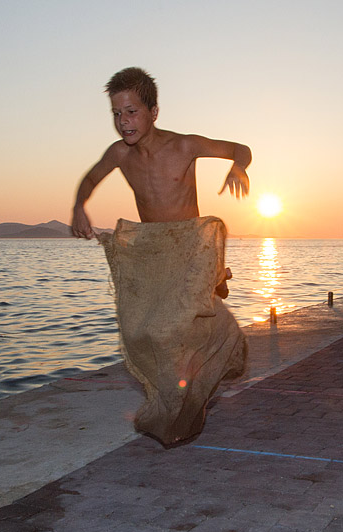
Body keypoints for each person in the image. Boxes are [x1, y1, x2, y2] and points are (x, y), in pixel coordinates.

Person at [69, 67, 251, 445]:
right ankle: (218, 334)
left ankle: (183, 399)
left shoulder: (184, 146)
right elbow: (90, 178)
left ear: (154, 112)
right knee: (140, 330)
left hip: (191, 247)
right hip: (154, 251)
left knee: (169, 329)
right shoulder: (120, 153)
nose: (124, 121)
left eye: (132, 111)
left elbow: (240, 149)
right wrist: (79, 206)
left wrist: (239, 167)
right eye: (117, 114)